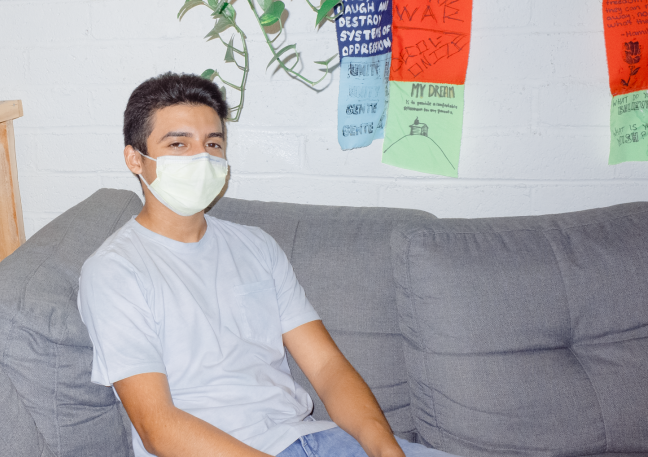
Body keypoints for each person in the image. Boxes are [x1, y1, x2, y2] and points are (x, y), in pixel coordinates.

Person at [77, 72, 457, 457]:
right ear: (135, 159)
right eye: (178, 144)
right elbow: (157, 427)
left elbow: (327, 367)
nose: (202, 158)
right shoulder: (114, 270)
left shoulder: (256, 246)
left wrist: (385, 449)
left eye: (213, 143)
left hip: (314, 440)